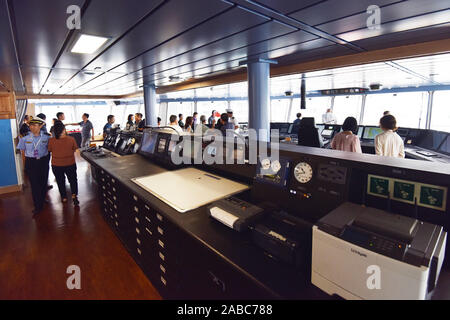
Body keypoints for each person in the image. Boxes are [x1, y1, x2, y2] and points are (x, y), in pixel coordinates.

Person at [16, 117, 51, 215]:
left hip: (43, 161)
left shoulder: (47, 137)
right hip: (31, 162)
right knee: (35, 184)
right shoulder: (25, 138)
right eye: (30, 125)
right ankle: (38, 206)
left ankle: (42, 198)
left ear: (40, 126)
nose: (32, 127)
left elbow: (50, 148)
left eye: (35, 125)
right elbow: (22, 150)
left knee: (43, 182)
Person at [48, 122, 79, 206]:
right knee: (73, 180)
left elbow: (50, 150)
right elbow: (75, 149)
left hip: (56, 165)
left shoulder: (51, 140)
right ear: (64, 130)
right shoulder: (71, 139)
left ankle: (64, 197)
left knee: (60, 181)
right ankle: (74, 196)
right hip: (70, 163)